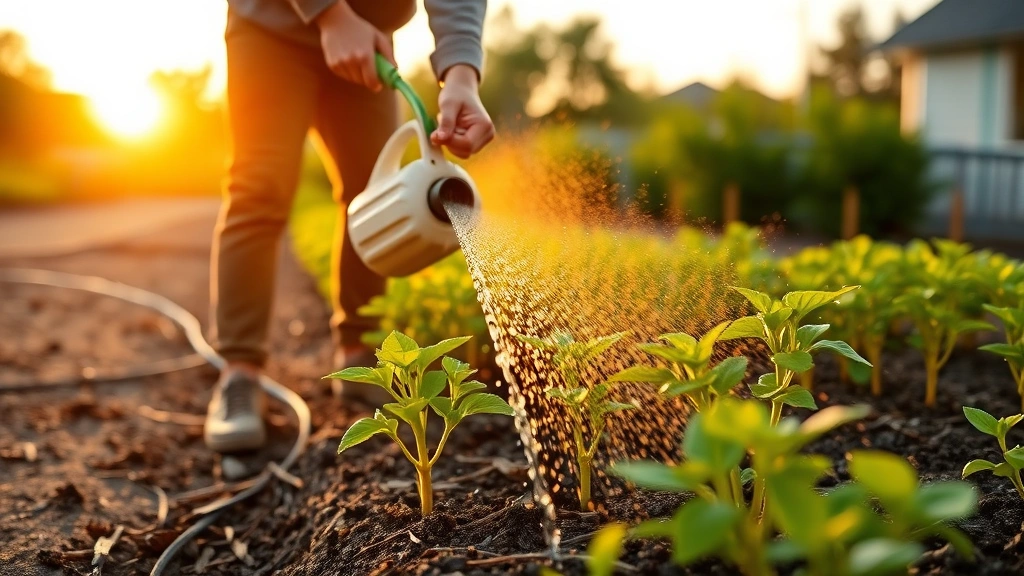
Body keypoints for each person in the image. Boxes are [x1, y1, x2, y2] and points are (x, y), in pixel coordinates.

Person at [204, 0, 494, 452]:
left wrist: (460, 73)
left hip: (369, 40)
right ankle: (239, 373)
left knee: (373, 188)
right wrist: (331, 16)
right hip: (270, 27)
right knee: (259, 190)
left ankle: (362, 358)